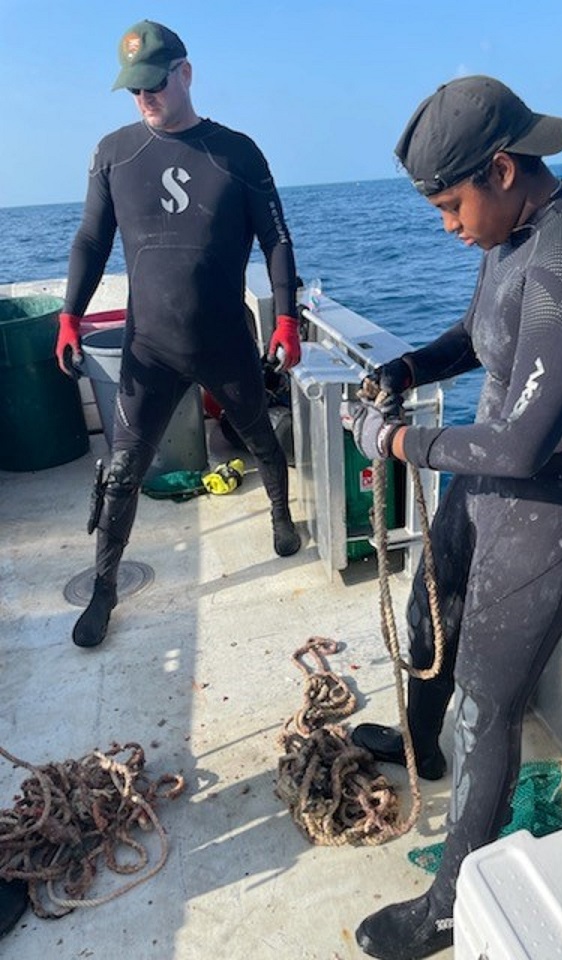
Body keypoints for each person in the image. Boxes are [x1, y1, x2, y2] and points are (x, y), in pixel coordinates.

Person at [346, 75, 562, 959]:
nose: (448, 225)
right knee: (426, 604)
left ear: (504, 169)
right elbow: (479, 330)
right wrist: (406, 370)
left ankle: (451, 905)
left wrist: (397, 442)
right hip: (498, 476)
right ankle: (420, 744)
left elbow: (522, 445)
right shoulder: (511, 233)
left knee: (487, 694)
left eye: (451, 204)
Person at [55, 20, 302, 649]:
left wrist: (286, 320)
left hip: (224, 340)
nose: (145, 99)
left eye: (155, 84)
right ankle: (105, 589)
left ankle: (280, 513)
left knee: (260, 440)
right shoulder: (114, 152)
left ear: (185, 73)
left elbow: (276, 239)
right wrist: (69, 314)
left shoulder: (237, 152)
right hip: (149, 348)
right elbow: (90, 238)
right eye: (134, 90)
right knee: (123, 471)